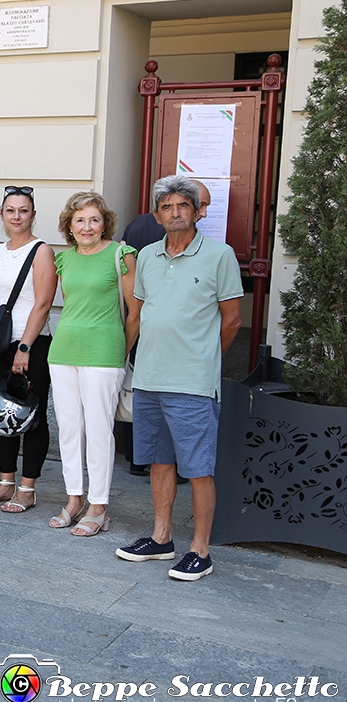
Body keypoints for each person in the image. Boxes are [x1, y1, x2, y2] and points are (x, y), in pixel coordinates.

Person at [117, 175, 242, 581]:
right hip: (149, 377)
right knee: (159, 461)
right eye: (166, 207)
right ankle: (161, 537)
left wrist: (205, 360)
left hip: (191, 382)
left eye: (182, 206)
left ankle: (200, 550)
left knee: (199, 468)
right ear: (157, 215)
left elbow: (232, 321)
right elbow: (137, 314)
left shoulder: (220, 256)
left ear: (196, 212)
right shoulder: (148, 255)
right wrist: (124, 360)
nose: (174, 213)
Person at [46, 191, 139, 536]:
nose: (87, 226)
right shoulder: (64, 260)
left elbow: (135, 313)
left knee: (100, 431)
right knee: (70, 429)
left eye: (94, 219)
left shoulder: (121, 254)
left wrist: (120, 352)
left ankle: (98, 506)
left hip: (104, 353)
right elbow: (71, 304)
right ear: (69, 226)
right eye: (80, 220)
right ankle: (74, 499)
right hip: (64, 351)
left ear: (105, 224)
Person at [118, 180, 212, 477]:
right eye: (203, 205)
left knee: (137, 389)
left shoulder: (134, 225)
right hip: (153, 328)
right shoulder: (162, 240)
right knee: (149, 397)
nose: (204, 213)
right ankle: (175, 466)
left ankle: (136, 458)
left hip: (149, 327)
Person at [0, 186, 56, 513]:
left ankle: (27, 487)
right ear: (2, 215)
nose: (17, 216)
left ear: (33, 215)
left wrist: (24, 347)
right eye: (11, 210)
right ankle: (6, 482)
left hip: (30, 345)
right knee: (1, 414)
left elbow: (44, 302)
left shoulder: (42, 251)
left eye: (23, 210)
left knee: (32, 417)